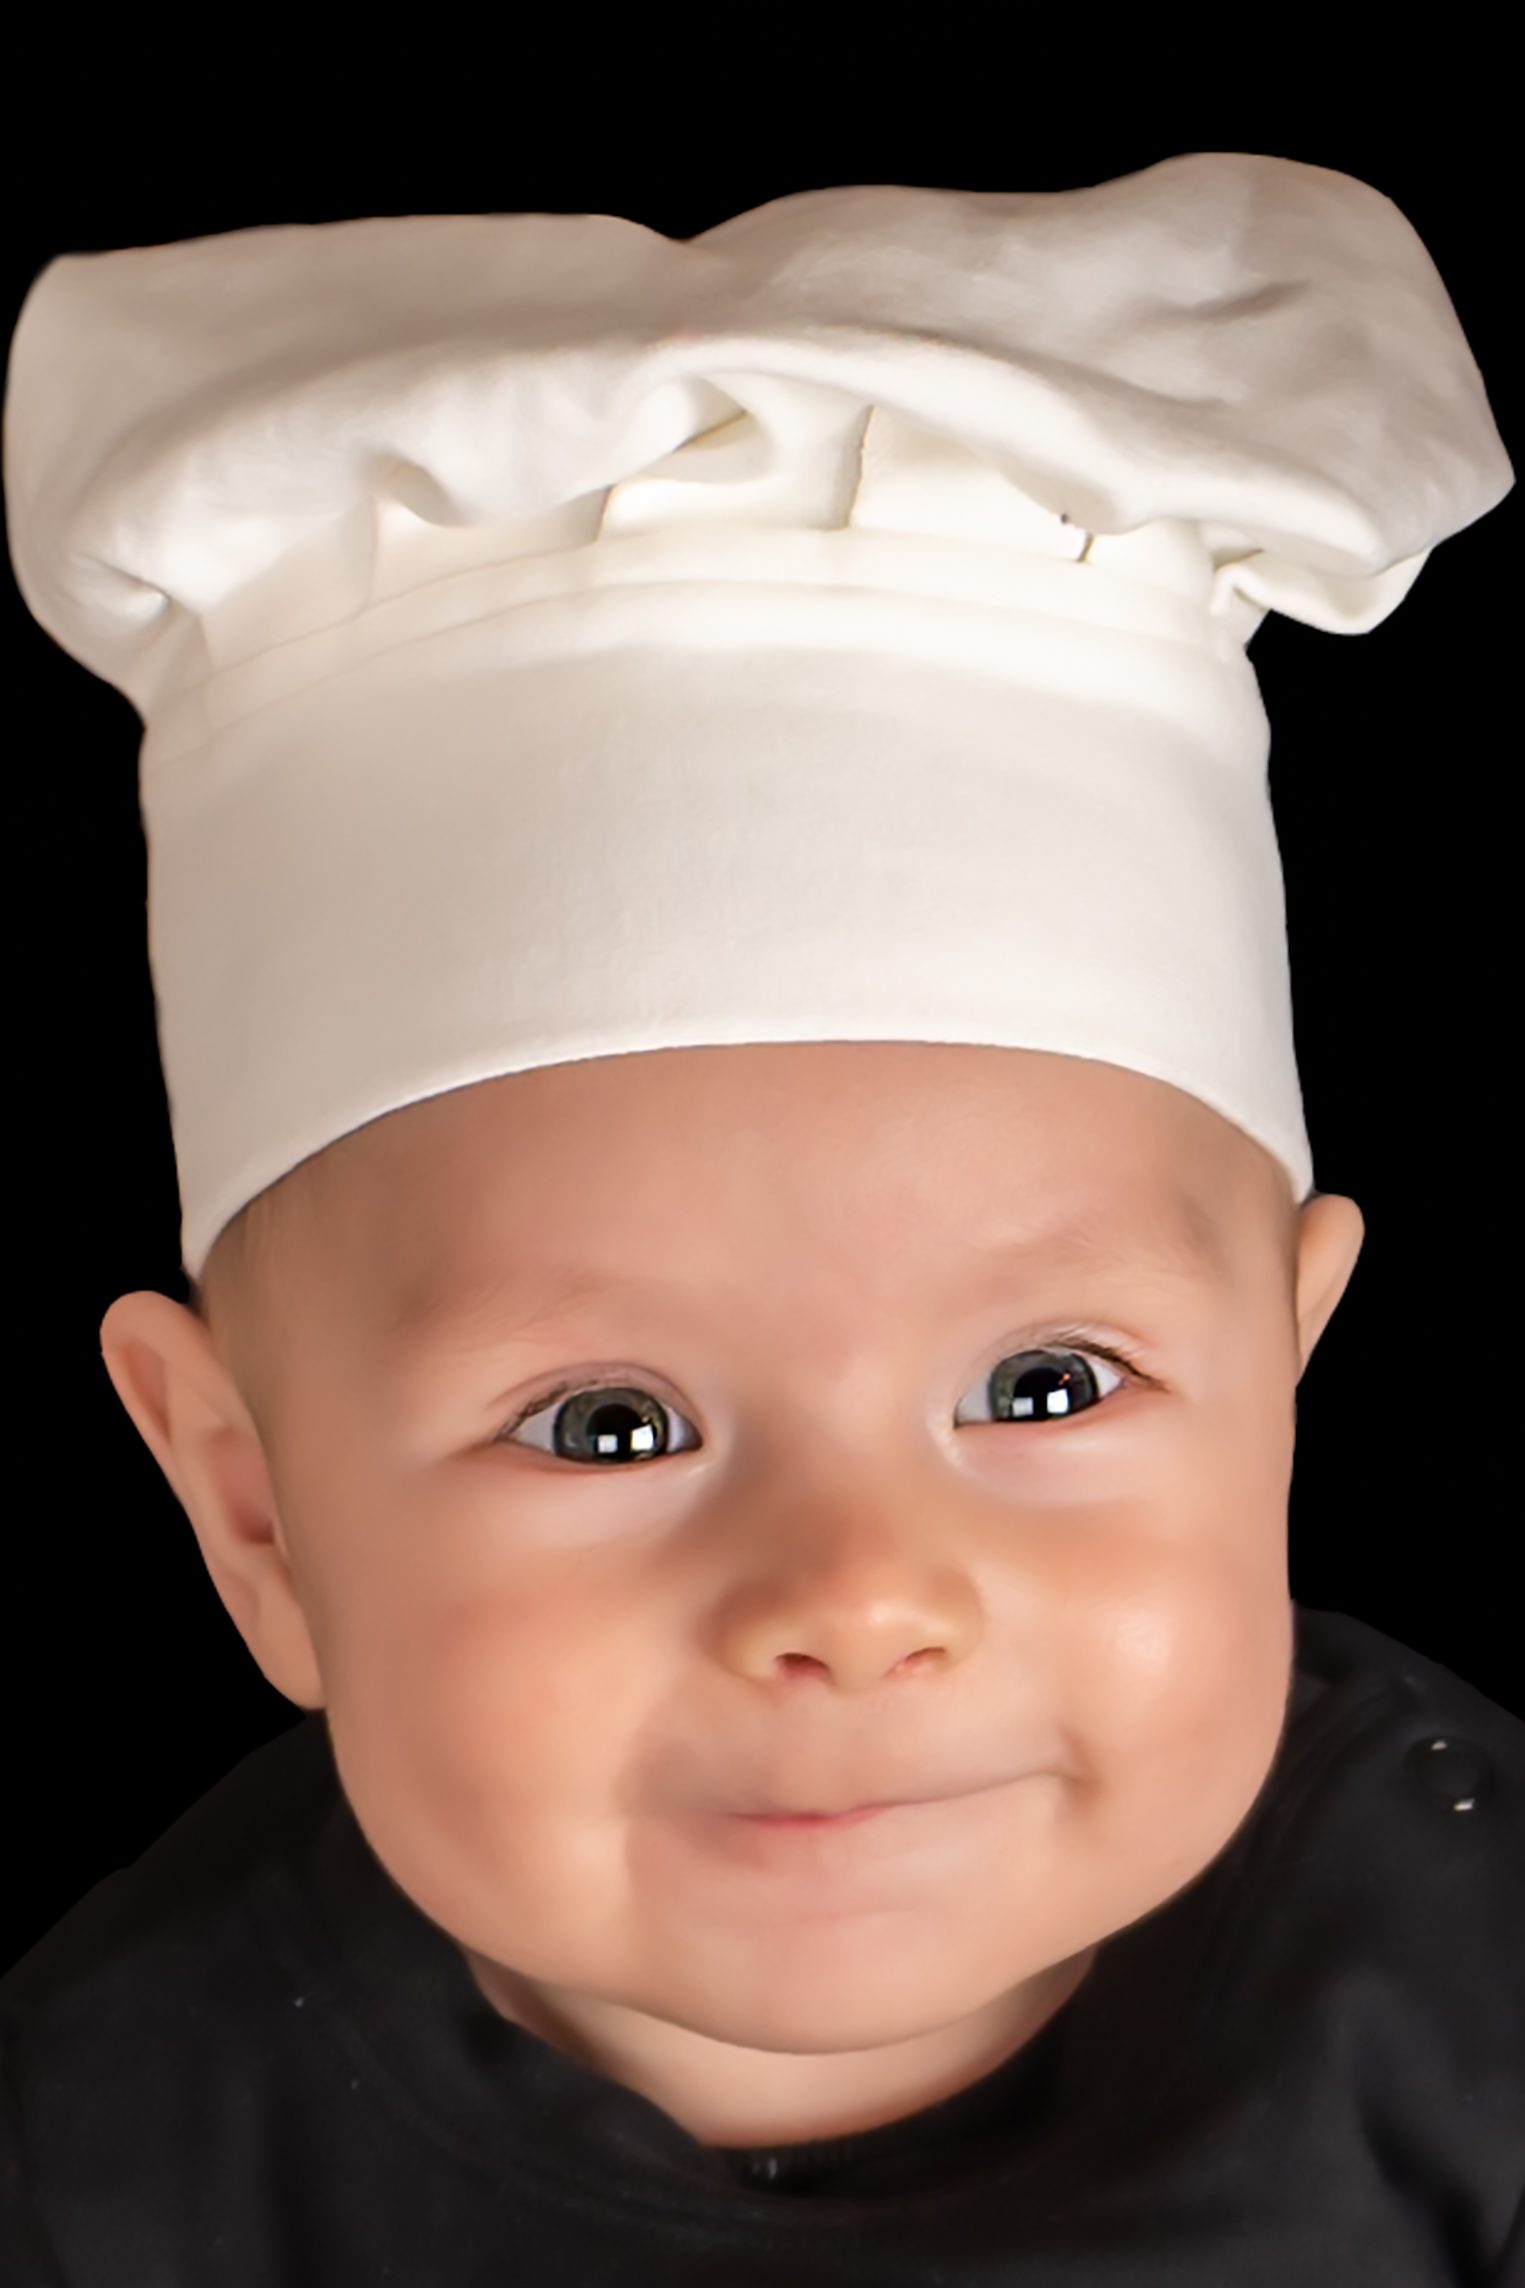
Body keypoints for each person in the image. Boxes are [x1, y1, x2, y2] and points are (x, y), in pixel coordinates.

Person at [3, 153, 1521, 2281]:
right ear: (253, 1510)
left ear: (1283, 1384)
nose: (859, 1597)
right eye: (608, 1425)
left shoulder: (1477, 1984)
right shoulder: (109, 2160)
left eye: (1043, 1385)